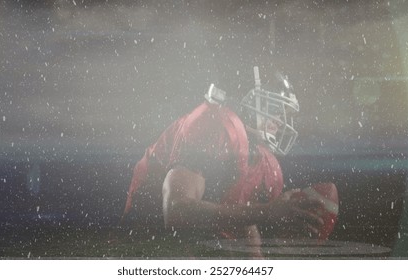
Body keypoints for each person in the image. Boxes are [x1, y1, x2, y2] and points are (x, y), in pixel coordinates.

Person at [121, 66, 331, 257]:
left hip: (195, 240)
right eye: (274, 108)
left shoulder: (265, 163)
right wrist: (267, 212)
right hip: (149, 244)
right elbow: (177, 212)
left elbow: (242, 221)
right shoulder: (214, 125)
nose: (279, 120)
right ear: (246, 100)